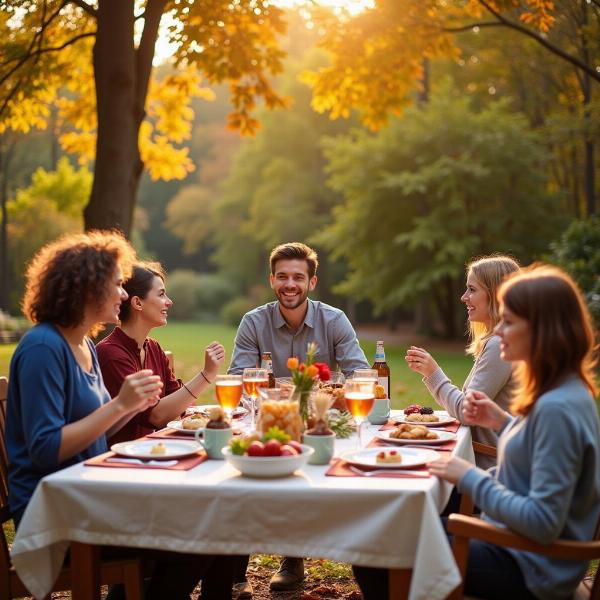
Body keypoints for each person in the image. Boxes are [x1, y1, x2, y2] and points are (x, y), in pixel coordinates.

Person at [6, 232, 235, 600]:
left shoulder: (81, 345)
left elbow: (101, 425)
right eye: (115, 284)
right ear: (86, 288)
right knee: (202, 532)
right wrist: (120, 405)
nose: (123, 294)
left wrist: (126, 406)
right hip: (58, 512)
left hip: (92, 492)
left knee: (215, 518)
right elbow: (45, 449)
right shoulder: (43, 348)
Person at [356, 265, 600, 600]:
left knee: (377, 543)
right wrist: (502, 421)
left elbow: (543, 521)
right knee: (391, 528)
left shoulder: (556, 407)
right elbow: (543, 452)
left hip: (529, 567)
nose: (500, 329)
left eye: (510, 321)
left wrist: (469, 476)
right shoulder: (564, 390)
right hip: (521, 549)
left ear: (543, 331)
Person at [229, 242, 370, 593]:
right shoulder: (254, 322)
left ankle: (301, 558)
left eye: (297, 277)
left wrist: (313, 395)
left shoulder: (333, 319)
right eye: (282, 277)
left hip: (322, 422)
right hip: (269, 421)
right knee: (236, 475)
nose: (289, 284)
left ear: (312, 282)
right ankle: (233, 573)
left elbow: (361, 375)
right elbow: (240, 379)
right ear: (271, 280)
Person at [405, 254, 519, 469]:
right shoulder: (497, 342)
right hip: (482, 459)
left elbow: (467, 411)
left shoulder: (499, 345)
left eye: (472, 290)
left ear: (496, 295)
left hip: (490, 470)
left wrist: (433, 373)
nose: (463, 297)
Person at [97, 261, 225, 445]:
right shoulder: (111, 354)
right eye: (161, 294)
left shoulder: (154, 348)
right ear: (138, 303)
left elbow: (180, 407)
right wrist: (206, 375)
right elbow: (156, 417)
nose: (169, 302)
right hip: (123, 462)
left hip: (156, 453)